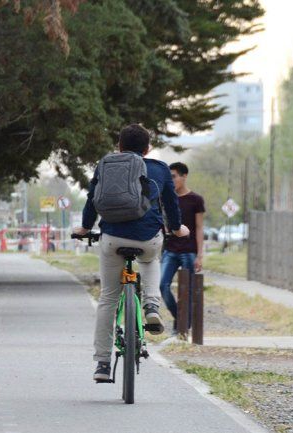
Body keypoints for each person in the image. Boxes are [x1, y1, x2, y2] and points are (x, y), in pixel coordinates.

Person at [73, 124, 190, 382]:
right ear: (147, 149)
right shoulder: (160, 169)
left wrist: (85, 228)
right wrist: (176, 228)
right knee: (150, 259)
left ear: (119, 147)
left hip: (112, 238)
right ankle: (151, 305)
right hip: (148, 237)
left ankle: (102, 363)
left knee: (108, 297)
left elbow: (92, 200)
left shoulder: (105, 165)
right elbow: (171, 205)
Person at [159, 162, 205, 333]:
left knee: (188, 291)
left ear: (184, 176)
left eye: (174, 176)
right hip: (170, 249)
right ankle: (180, 319)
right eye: (169, 177)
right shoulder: (166, 198)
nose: (171, 180)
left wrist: (200, 255)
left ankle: (182, 328)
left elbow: (199, 228)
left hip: (189, 251)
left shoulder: (196, 200)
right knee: (162, 285)